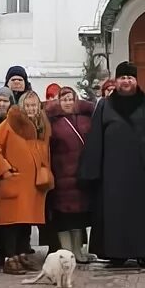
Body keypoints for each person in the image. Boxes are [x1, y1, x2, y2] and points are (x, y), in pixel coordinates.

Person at [78, 62, 145, 268]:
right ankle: (116, 254)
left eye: (130, 78)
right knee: (114, 213)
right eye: (122, 77)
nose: (126, 81)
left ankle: (144, 253)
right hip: (112, 172)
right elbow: (96, 137)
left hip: (142, 171)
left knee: (142, 213)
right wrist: (92, 170)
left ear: (135, 80)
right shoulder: (105, 105)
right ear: (116, 80)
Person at [0, 90, 52, 275]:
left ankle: (22, 254)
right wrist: (4, 170)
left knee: (26, 222)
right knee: (11, 222)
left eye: (34, 105)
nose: (31, 108)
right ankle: (9, 258)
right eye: (28, 105)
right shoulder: (9, 124)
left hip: (34, 184)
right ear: (22, 106)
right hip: (14, 181)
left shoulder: (42, 126)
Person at [44, 87, 93, 263]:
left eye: (70, 99)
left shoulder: (86, 118)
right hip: (61, 174)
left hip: (80, 175)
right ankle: (67, 252)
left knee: (79, 217)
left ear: (75, 100)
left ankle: (78, 251)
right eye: (63, 99)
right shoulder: (51, 121)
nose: (67, 102)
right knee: (63, 217)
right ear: (58, 101)